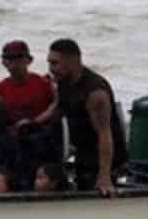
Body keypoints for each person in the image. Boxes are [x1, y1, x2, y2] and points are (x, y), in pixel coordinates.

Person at [46, 38, 128, 196]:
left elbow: (105, 134)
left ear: (73, 61)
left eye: (55, 63)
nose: (51, 69)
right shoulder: (63, 81)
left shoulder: (95, 92)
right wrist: (32, 122)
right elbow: (57, 107)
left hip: (104, 159)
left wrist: (104, 176)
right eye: (49, 63)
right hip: (82, 153)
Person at [0, 39, 62, 185]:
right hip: (12, 140)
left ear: (29, 60)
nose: (14, 62)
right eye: (10, 58)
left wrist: (34, 122)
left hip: (40, 136)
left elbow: (57, 107)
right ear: (4, 62)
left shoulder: (44, 84)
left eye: (19, 58)